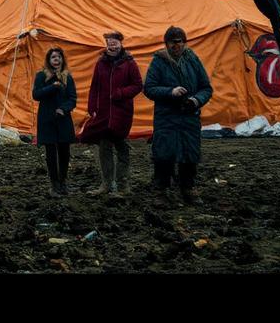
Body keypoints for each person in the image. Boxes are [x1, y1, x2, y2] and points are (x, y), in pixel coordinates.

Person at [143, 26, 213, 204]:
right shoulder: (159, 62)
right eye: (173, 42)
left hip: (189, 116)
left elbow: (206, 87)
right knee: (164, 154)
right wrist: (170, 92)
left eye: (180, 41)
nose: (177, 45)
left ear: (185, 42)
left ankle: (188, 188)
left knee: (190, 153)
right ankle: (161, 190)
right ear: (166, 44)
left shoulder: (192, 60)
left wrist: (196, 100)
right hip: (167, 116)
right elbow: (149, 88)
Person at [78, 30, 143, 197]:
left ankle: (123, 185)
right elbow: (95, 87)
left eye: (115, 41)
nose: (112, 44)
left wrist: (121, 93)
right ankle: (106, 184)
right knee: (104, 146)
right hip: (104, 112)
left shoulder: (129, 63)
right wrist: (92, 106)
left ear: (121, 43)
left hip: (122, 112)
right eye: (109, 41)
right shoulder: (101, 63)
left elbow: (137, 85)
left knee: (122, 146)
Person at [32, 47, 78, 196]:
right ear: (49, 60)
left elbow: (72, 98)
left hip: (63, 118)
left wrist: (63, 109)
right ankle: (54, 184)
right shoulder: (41, 76)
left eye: (59, 57)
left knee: (64, 151)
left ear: (62, 60)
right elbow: (36, 95)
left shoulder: (67, 77)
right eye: (53, 57)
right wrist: (53, 87)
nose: (56, 59)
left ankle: (63, 182)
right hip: (47, 119)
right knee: (51, 153)